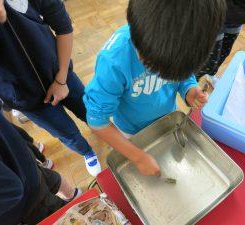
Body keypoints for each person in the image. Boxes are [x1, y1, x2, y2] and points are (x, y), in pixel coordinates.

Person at [84, 0, 226, 176]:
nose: (161, 74)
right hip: (131, 131)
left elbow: (183, 73)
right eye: (152, 65)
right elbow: (97, 121)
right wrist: (137, 157)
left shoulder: (185, 45)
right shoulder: (113, 61)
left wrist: (189, 88)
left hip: (167, 120)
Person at [0, 0, 101, 176]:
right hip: (26, 99)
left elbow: (63, 26)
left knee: (89, 110)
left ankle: (101, 129)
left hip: (59, 71)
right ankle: (87, 152)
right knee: (66, 132)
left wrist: (61, 79)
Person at [0, 109, 82, 225]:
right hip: (22, 160)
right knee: (49, 180)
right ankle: (75, 195)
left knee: (60, 214)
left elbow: (11, 191)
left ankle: (74, 198)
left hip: (25, 201)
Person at [197, 0, 245, 85]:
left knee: (224, 52)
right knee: (210, 61)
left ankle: (211, 74)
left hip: (237, 19)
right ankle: (189, 83)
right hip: (215, 16)